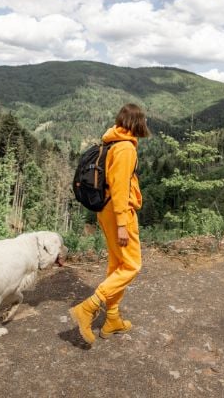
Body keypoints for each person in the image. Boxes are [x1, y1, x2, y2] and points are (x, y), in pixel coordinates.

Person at [69, 103, 149, 345]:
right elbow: (120, 186)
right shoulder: (125, 148)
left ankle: (112, 318)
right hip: (118, 212)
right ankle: (89, 307)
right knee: (132, 265)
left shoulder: (111, 141)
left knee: (117, 265)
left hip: (106, 211)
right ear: (137, 123)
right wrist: (124, 223)